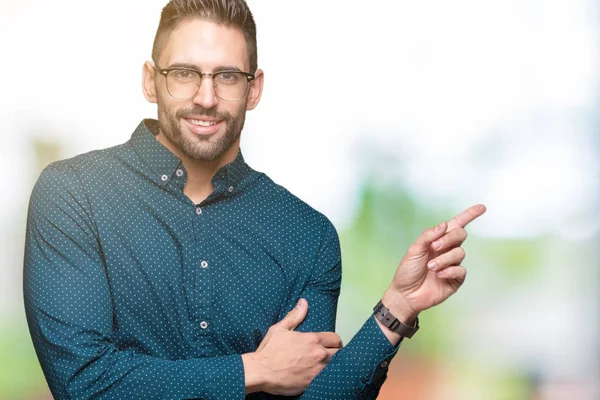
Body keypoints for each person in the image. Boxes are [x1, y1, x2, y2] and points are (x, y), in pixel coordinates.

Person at [23, 0, 486, 399]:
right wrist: (253, 370)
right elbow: (83, 382)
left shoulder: (307, 233)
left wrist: (398, 307)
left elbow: (312, 391)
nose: (206, 97)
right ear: (151, 81)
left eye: (227, 76)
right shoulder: (75, 194)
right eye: (184, 73)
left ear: (254, 88)